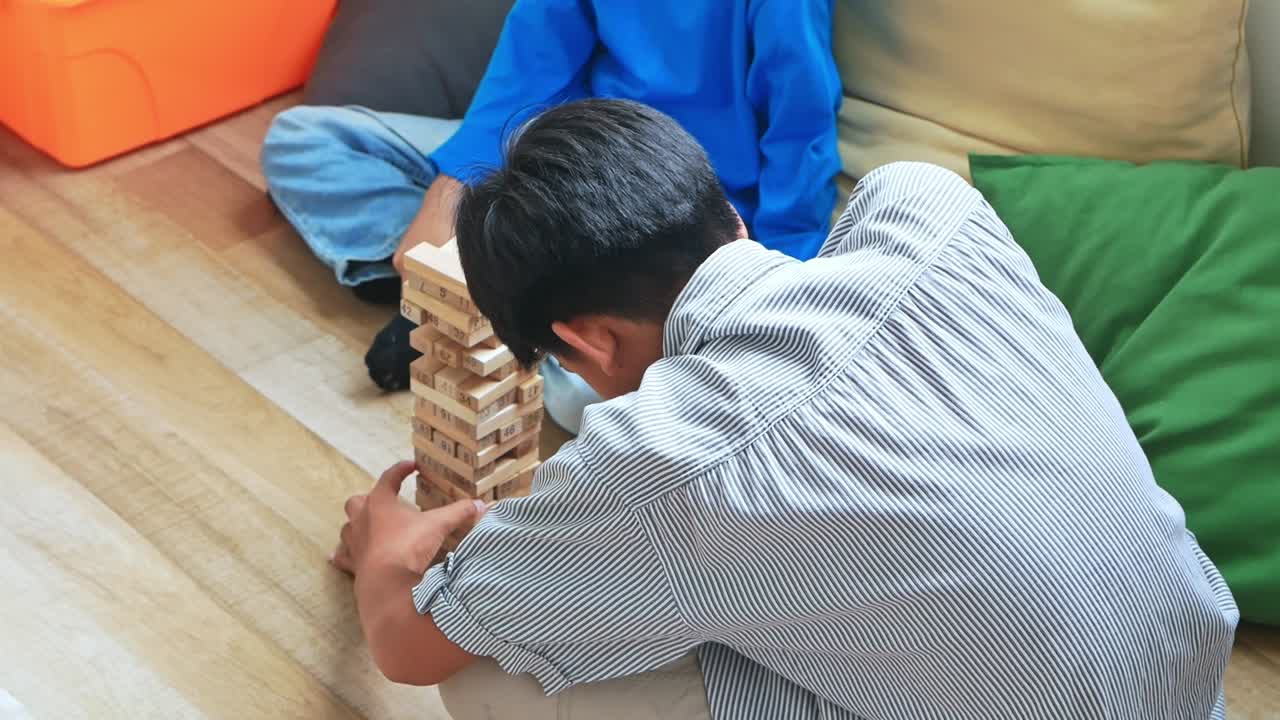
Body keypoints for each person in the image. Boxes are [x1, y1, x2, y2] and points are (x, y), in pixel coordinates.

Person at [330, 99, 1238, 720]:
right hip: (1188, 685)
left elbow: (413, 650)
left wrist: (383, 556)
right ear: (728, 215)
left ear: (588, 343)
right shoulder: (932, 211)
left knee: (493, 676)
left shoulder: (666, 457)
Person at [260, 0, 843, 435]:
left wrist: (769, 299)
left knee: (585, 404)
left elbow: (801, 136)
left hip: (662, 210)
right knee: (303, 140)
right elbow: (523, 75)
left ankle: (503, 311)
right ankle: (472, 292)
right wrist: (444, 208)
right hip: (547, 170)